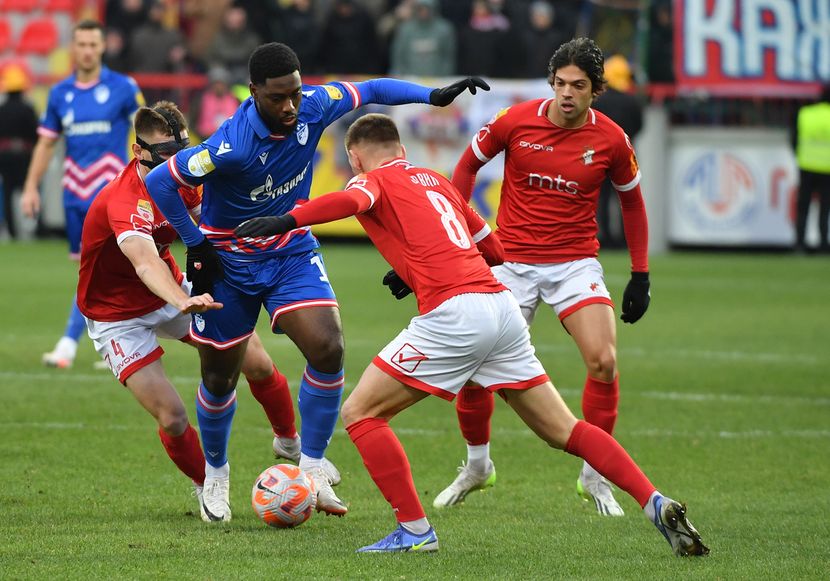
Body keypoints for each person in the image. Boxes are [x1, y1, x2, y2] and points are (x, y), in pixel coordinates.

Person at [232, 112, 708, 556]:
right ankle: (654, 501)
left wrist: (287, 219)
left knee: (360, 413)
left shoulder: (373, 179)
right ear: (401, 146)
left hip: (454, 313)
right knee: (566, 430)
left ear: (356, 156)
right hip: (500, 306)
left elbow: (350, 201)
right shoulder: (438, 183)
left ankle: (415, 532)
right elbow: (495, 250)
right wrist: (417, 262)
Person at [144, 42, 489, 522]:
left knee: (328, 347)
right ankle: (216, 475)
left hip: (289, 250)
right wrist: (195, 243)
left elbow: (369, 89)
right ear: (255, 92)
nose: (289, 106)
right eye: (277, 98)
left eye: (295, 93)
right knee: (219, 377)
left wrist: (430, 96)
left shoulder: (314, 106)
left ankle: (310, 468)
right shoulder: (231, 144)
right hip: (229, 260)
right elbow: (159, 182)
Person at [77, 100, 337, 521]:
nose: (175, 160)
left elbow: (212, 228)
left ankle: (290, 443)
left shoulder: (185, 181)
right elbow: (144, 262)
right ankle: (208, 484)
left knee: (256, 359)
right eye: (165, 154)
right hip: (116, 316)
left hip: (174, 291)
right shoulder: (123, 201)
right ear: (137, 151)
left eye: (181, 149)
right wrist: (181, 300)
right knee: (174, 416)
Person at [428, 37, 651, 517]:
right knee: (473, 369)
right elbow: (465, 167)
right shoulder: (515, 121)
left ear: (595, 91)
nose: (567, 93)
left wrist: (640, 274)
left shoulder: (612, 139)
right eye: (560, 83)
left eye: (579, 86)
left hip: (574, 264)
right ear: (551, 83)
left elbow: (632, 202)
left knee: (604, 361)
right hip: (509, 260)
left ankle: (595, 479)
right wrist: (465, 236)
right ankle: (477, 466)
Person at [20, 20, 144, 369]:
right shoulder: (60, 94)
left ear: (102, 47)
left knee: (102, 272)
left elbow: (147, 131)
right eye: (81, 44)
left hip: (111, 195)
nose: (87, 50)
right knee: (96, 273)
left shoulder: (123, 87)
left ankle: (67, 345)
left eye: (93, 44)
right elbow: (46, 142)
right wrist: (31, 186)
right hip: (75, 196)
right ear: (72, 49)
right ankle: (121, 340)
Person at [592, 55, 644, 248]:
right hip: (627, 155)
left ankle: (604, 237)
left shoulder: (598, 100)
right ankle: (624, 239)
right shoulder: (632, 101)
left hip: (600, 154)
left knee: (602, 198)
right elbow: (640, 125)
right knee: (627, 198)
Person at [0, 64, 38, 239]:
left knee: (7, 193)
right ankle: (34, 228)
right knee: (29, 189)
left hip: (5, 156)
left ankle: (12, 231)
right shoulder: (28, 109)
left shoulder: (1, 109)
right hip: (24, 156)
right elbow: (37, 134)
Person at [792, 83, 830, 254]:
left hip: (806, 166)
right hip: (827, 168)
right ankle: (823, 245)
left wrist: (800, 156)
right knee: (825, 209)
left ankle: (800, 244)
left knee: (803, 208)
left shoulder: (805, 114)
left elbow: (793, 138)